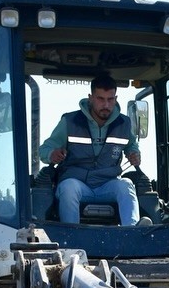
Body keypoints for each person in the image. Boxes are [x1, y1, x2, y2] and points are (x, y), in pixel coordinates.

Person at [37, 72, 145, 226]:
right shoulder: (70, 121)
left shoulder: (124, 124)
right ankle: (72, 235)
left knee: (126, 185)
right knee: (68, 187)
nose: (106, 105)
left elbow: (132, 145)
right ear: (91, 98)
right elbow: (44, 149)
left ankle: (133, 233)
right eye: (100, 99)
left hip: (107, 184)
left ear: (116, 99)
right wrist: (52, 154)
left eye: (110, 99)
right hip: (77, 183)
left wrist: (134, 154)